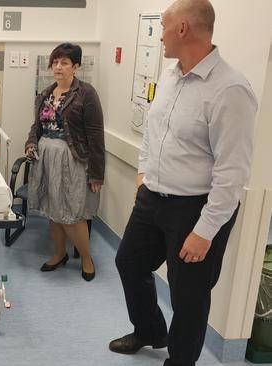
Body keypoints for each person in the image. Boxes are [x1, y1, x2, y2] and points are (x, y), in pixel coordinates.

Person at [109, 1, 258, 365]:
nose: (159, 34)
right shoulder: (172, 75)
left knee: (189, 296)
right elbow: (153, 129)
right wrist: (144, 174)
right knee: (129, 263)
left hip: (195, 208)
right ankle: (150, 330)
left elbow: (233, 172)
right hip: (153, 198)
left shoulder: (230, 90)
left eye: (163, 25)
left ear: (183, 29)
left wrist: (205, 230)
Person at [24, 43, 105, 281]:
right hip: (46, 158)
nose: (58, 67)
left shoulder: (86, 94)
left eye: (64, 63)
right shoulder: (46, 93)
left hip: (73, 160)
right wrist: (31, 144)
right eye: (55, 62)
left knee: (72, 214)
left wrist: (97, 175)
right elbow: (36, 127)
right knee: (53, 211)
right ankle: (59, 254)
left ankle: (87, 259)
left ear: (76, 66)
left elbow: (96, 136)